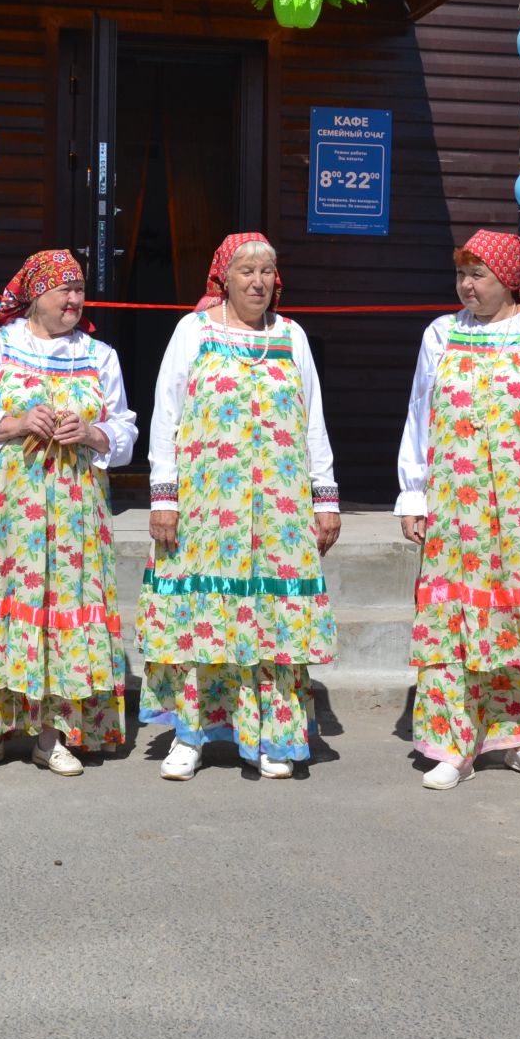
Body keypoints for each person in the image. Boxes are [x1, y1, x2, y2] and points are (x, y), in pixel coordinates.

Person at [394, 230, 520, 790]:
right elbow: (420, 413)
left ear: (507, 280)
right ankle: (455, 745)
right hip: (458, 508)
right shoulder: (441, 335)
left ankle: (519, 740)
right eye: (461, 274)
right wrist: (414, 493)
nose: (466, 286)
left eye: (478, 275)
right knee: (456, 625)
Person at [138, 233, 341, 781]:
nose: (257, 282)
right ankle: (191, 735)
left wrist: (325, 496)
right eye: (246, 271)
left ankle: (274, 735)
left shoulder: (292, 337)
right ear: (223, 278)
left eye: (267, 272)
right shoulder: (193, 331)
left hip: (279, 508)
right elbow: (166, 415)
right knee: (203, 617)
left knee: (273, 621)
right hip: (208, 507)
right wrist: (165, 496)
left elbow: (312, 419)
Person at [0, 250, 138, 777]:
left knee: (59, 611)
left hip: (72, 515)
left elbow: (124, 432)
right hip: (5, 514)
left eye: (79, 290)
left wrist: (93, 434)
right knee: (1, 609)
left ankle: (53, 734)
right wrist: (16, 421)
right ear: (35, 295)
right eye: (63, 290)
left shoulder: (99, 356)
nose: (74, 300)